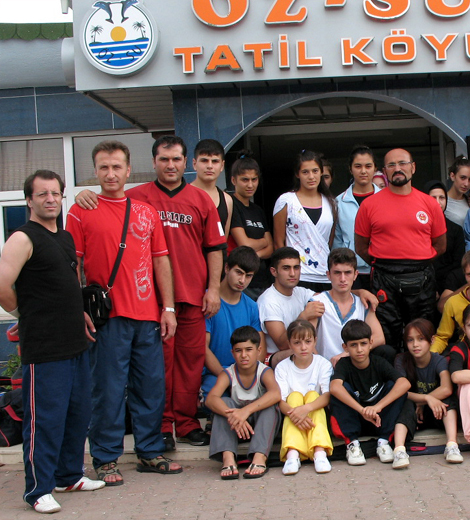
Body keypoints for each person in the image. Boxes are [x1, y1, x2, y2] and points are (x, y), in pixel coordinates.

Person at [75, 135, 226, 450]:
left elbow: (215, 248)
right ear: (153, 162)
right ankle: (162, 426)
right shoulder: (136, 197)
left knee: (191, 363)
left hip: (193, 297)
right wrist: (84, 194)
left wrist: (213, 289)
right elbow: (107, 202)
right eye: (163, 159)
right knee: (158, 370)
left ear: (185, 163)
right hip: (149, 302)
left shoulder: (201, 200)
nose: (170, 165)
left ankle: (186, 423)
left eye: (176, 159)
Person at [67, 140, 181, 484]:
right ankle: (105, 459)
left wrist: (168, 307)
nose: (111, 173)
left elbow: (161, 260)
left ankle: (149, 451)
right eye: (104, 167)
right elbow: (73, 265)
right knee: (108, 390)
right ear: (95, 171)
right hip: (107, 318)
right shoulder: (81, 211)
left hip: (147, 316)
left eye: (117, 166)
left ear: (129, 170)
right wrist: (77, 309)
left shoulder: (146, 211)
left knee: (151, 387)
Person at [0, 170, 105, 514]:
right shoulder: (22, 238)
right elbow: (2, 284)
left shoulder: (63, 237)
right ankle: (38, 490)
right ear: (29, 200)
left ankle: (69, 476)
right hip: (45, 348)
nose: (50, 199)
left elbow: (68, 283)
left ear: (61, 197)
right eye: (42, 193)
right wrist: (24, 313)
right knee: (45, 421)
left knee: (78, 414)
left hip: (75, 342)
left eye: (55, 193)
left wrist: (80, 312)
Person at [355, 147, 447, 350]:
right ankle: (392, 371)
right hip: (384, 278)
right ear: (384, 171)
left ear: (413, 167)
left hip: (422, 277)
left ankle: (423, 372)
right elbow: (361, 247)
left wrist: (417, 260)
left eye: (402, 163)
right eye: (391, 165)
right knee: (387, 336)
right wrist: (386, 263)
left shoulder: (429, 204)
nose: (397, 168)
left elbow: (440, 245)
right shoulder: (369, 205)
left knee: (422, 333)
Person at [329, 320, 410, 466]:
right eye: (354, 345)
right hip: (356, 418)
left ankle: (384, 442)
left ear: (371, 343)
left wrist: (377, 407)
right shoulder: (344, 364)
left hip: (378, 419)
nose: (359, 349)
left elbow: (405, 383)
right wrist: (362, 410)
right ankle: (352, 444)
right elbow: (334, 387)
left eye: (363, 344)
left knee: (396, 388)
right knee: (339, 391)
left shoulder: (378, 362)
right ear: (345, 347)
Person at [206, 326, 281, 480]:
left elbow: (275, 393)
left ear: (259, 350)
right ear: (232, 353)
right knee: (223, 403)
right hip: (236, 427)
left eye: (249, 350)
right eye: (238, 351)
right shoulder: (228, 373)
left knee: (271, 407)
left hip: (260, 427)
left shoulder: (264, 371)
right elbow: (211, 398)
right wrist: (234, 415)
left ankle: (259, 457)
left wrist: (246, 411)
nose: (244, 355)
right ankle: (228, 458)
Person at [392, 319, 462, 470]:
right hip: (413, 416)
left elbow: (446, 388)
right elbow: (398, 391)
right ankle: (399, 450)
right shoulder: (401, 360)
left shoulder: (438, 360)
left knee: (448, 399)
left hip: (436, 412)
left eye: (421, 339)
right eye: (410, 340)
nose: (415, 345)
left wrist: (423, 402)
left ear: (432, 340)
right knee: (404, 403)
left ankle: (452, 445)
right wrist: (426, 398)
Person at [311, 248, 394, 367]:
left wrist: (347, 353)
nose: (343, 279)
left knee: (386, 351)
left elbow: (379, 338)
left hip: (355, 366)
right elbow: (307, 341)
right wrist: (320, 366)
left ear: (355, 275)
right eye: (337, 273)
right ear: (328, 275)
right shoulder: (317, 303)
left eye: (348, 273)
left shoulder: (363, 303)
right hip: (327, 366)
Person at [203, 246, 265, 400]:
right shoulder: (208, 300)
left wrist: (248, 377)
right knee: (218, 401)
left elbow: (259, 347)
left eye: (248, 276)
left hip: (245, 375)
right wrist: (228, 379)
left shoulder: (252, 306)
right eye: (239, 272)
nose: (242, 280)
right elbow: (202, 348)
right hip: (214, 375)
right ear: (226, 268)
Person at [275, 320, 333, 475]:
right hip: (292, 412)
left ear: (315, 341)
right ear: (289, 344)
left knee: (313, 395)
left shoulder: (323, 364)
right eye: (297, 343)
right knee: (294, 397)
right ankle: (292, 453)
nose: (303, 347)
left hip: (315, 411)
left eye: (308, 342)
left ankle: (319, 451)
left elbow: (327, 395)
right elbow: (280, 400)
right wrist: (296, 414)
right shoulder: (282, 367)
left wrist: (305, 409)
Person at [273, 150, 336, 292]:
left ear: (321, 172)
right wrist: (286, 272)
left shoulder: (331, 202)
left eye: (315, 171)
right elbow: (278, 242)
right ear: (297, 174)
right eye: (305, 172)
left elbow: (329, 241)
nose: (311, 176)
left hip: (325, 275)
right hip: (297, 275)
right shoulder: (286, 200)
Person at [257, 247, 325, 363]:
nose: (292, 273)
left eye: (296, 268)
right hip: (275, 357)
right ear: (274, 271)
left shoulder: (300, 291)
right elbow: (283, 344)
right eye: (286, 268)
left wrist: (356, 292)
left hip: (300, 350)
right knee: (303, 351)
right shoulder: (268, 300)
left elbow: (328, 298)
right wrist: (303, 317)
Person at [333, 145, 381, 290]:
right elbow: (337, 240)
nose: (363, 171)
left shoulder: (386, 199)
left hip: (381, 268)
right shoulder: (339, 202)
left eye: (368, 166)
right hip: (350, 271)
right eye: (358, 166)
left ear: (375, 168)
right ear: (350, 169)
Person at [229, 151, 273, 300]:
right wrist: (263, 242)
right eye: (245, 180)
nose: (250, 185)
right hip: (240, 282)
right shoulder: (231, 204)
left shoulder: (258, 210)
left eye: (254, 179)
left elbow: (271, 248)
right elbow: (245, 244)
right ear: (233, 180)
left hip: (261, 280)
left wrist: (255, 254)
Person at [424, 180, 465, 296]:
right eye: (433, 198)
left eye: (442, 197)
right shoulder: (419, 228)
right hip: (423, 284)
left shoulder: (455, 230)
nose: (438, 202)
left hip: (448, 287)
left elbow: (458, 263)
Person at [191, 138, 233, 238]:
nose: (210, 166)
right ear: (194, 164)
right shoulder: (183, 195)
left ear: (222, 166)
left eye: (215, 161)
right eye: (204, 160)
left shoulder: (227, 200)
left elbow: (223, 240)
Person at [431, 251, 470, 354]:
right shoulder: (453, 302)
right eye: (469, 275)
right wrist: (431, 356)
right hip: (464, 354)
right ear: (464, 274)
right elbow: (442, 337)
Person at [449, 304, 470, 443]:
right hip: (464, 402)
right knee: (467, 386)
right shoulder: (460, 348)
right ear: (464, 328)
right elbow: (456, 376)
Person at [445, 155, 470, 228]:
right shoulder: (442, 201)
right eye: (463, 178)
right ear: (452, 176)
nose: (466, 184)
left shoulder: (468, 201)